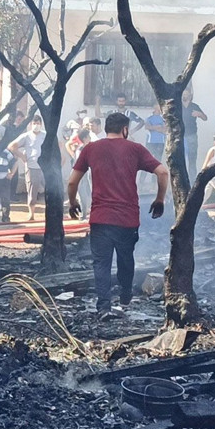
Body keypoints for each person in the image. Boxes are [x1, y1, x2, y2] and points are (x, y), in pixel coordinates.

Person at [66, 113, 169, 316]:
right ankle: (125, 297)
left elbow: (71, 182)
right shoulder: (135, 148)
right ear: (125, 129)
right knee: (125, 259)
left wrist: (73, 202)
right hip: (127, 219)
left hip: (100, 219)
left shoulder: (90, 149)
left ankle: (103, 306)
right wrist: (159, 199)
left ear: (106, 128)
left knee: (101, 263)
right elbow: (163, 172)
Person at [9, 114, 46, 222]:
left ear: (41, 124)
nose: (36, 125)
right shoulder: (26, 136)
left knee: (51, 189)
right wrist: (22, 156)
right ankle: (32, 214)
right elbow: (12, 146)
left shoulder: (45, 135)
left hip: (45, 167)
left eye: (38, 123)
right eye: (34, 123)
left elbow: (58, 145)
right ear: (30, 125)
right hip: (32, 166)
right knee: (32, 191)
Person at [181, 89, 208, 179]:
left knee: (192, 158)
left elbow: (205, 118)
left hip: (191, 135)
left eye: (186, 94)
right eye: (183, 94)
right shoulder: (178, 106)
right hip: (180, 136)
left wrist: (199, 114)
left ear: (190, 96)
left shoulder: (194, 106)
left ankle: (192, 181)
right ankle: (183, 180)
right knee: (181, 159)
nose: (184, 96)